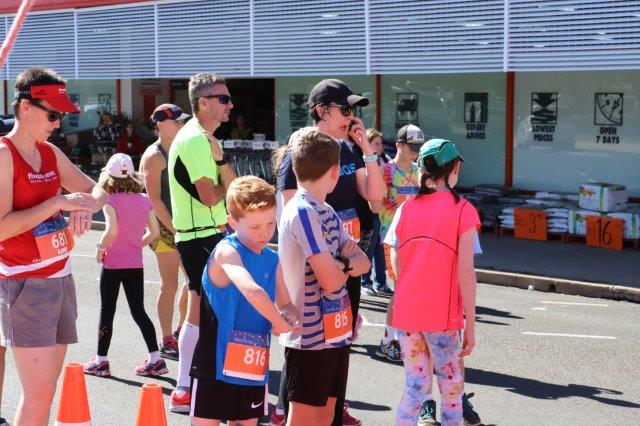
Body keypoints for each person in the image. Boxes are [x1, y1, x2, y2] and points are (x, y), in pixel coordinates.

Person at [272, 79, 383, 426]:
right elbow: (291, 218)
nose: (352, 116)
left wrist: (366, 150)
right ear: (321, 111)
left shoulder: (347, 151)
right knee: (306, 386)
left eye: (354, 110)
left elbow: (375, 198)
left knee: (337, 351)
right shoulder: (302, 155)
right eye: (346, 108)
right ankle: (285, 408)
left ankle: (335, 408)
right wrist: (339, 262)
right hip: (313, 287)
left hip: (339, 277)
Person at [0, 66, 106, 426]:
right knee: (37, 395)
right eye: (53, 114)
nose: (58, 123)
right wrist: (58, 203)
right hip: (24, 283)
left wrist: (86, 205)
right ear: (26, 107)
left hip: (60, 277)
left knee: (45, 393)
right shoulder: (4, 155)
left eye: (61, 115)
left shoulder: (49, 153)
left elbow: (98, 189)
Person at [191, 175, 301, 425]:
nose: (265, 233)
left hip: (252, 363)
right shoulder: (226, 251)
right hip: (215, 362)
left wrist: (289, 316)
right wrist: (278, 322)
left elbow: (286, 304)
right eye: (254, 227)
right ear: (232, 222)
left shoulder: (272, 259)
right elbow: (251, 290)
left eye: (270, 223)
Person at [384, 139, 479, 426]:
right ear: (454, 169)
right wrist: (471, 323)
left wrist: (408, 285)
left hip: (407, 312)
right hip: (442, 315)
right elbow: (466, 272)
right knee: (451, 385)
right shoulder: (463, 210)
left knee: (415, 386)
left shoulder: (406, 208)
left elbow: (393, 253)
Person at [168, 72, 237, 413]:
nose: (230, 104)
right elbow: (216, 195)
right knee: (202, 309)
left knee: (204, 308)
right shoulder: (196, 139)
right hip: (200, 235)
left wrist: (222, 163)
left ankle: (189, 386)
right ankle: (187, 387)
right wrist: (227, 181)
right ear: (203, 102)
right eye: (223, 98)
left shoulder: (204, 138)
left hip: (205, 233)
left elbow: (231, 188)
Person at [83, 153, 166, 377]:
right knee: (139, 311)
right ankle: (156, 359)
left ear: (108, 177)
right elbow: (155, 232)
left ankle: (101, 361)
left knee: (107, 311)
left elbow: (111, 230)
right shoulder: (144, 200)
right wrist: (136, 244)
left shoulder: (111, 201)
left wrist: (100, 248)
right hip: (134, 264)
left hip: (112, 264)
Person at [140, 104, 191, 360]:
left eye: (183, 121)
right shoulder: (154, 156)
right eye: (177, 121)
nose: (182, 125)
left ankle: (182, 332)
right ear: (160, 124)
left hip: (184, 225)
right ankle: (167, 339)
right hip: (163, 228)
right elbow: (153, 199)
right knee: (170, 284)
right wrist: (174, 228)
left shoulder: (183, 148)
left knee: (193, 283)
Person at [375, 124, 424, 363]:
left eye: (418, 147)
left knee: (411, 291)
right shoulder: (385, 171)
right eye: (411, 146)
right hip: (393, 239)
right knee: (400, 290)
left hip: (416, 238)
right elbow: (375, 204)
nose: (415, 151)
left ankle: (408, 339)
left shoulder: (419, 172)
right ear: (398, 145)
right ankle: (388, 341)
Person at [359, 128, 392, 297]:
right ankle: (365, 282)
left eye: (381, 143)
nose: (380, 146)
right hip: (370, 210)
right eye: (376, 143)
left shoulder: (385, 159)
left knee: (380, 248)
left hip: (384, 210)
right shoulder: (364, 161)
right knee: (369, 247)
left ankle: (381, 282)